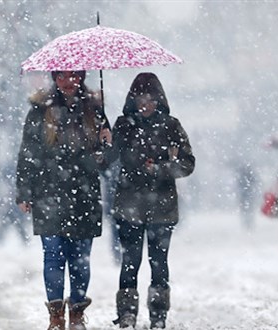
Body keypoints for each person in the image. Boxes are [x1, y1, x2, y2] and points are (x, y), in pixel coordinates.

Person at [16, 70, 112, 330]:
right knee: (53, 255)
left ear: (81, 77)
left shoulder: (95, 111)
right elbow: (28, 153)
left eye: (73, 76)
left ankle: (77, 313)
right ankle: (56, 316)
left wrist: (107, 144)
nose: (68, 82)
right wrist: (24, 191)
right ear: (54, 79)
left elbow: (106, 163)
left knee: (81, 257)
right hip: (49, 193)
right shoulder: (39, 111)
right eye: (61, 77)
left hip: (84, 194)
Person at [109, 73, 195, 329]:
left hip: (162, 208)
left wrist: (161, 169)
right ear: (133, 100)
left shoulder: (171, 126)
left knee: (159, 264)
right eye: (141, 99)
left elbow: (187, 164)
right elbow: (106, 159)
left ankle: (158, 314)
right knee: (130, 263)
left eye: (150, 99)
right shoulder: (123, 126)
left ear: (159, 100)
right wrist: (104, 139)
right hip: (129, 207)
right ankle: (127, 314)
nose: (145, 104)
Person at [236, 162, 258, 230]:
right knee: (248, 210)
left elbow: (238, 185)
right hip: (248, 196)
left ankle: (247, 224)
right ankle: (248, 224)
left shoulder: (242, 176)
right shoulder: (248, 175)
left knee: (246, 210)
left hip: (246, 196)